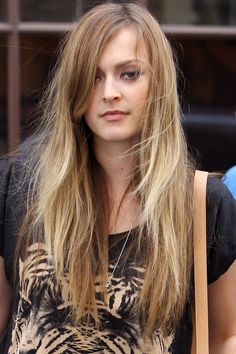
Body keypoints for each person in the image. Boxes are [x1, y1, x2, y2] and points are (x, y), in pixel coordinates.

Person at [0, 2, 236, 353]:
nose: (110, 91)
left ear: (157, 83)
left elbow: (224, 336)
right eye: (94, 76)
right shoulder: (20, 186)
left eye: (129, 74)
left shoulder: (204, 203)